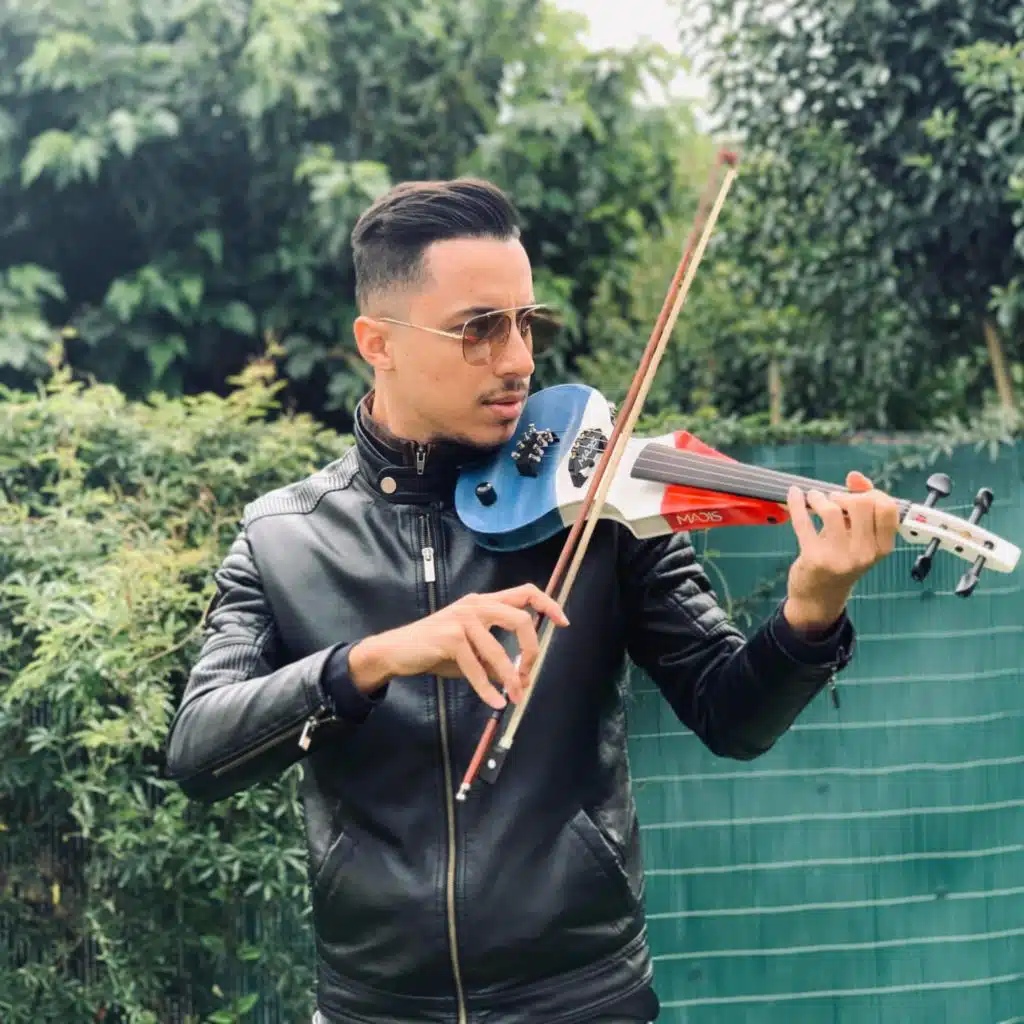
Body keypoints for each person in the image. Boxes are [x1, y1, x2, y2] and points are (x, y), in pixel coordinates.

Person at [163, 177, 901, 1024]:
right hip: (375, 1007)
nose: (518, 360)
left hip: (582, 999)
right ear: (378, 342)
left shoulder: (598, 504)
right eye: (478, 329)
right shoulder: (284, 536)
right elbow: (200, 752)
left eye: (526, 323)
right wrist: (375, 658)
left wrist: (811, 611)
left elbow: (732, 715)